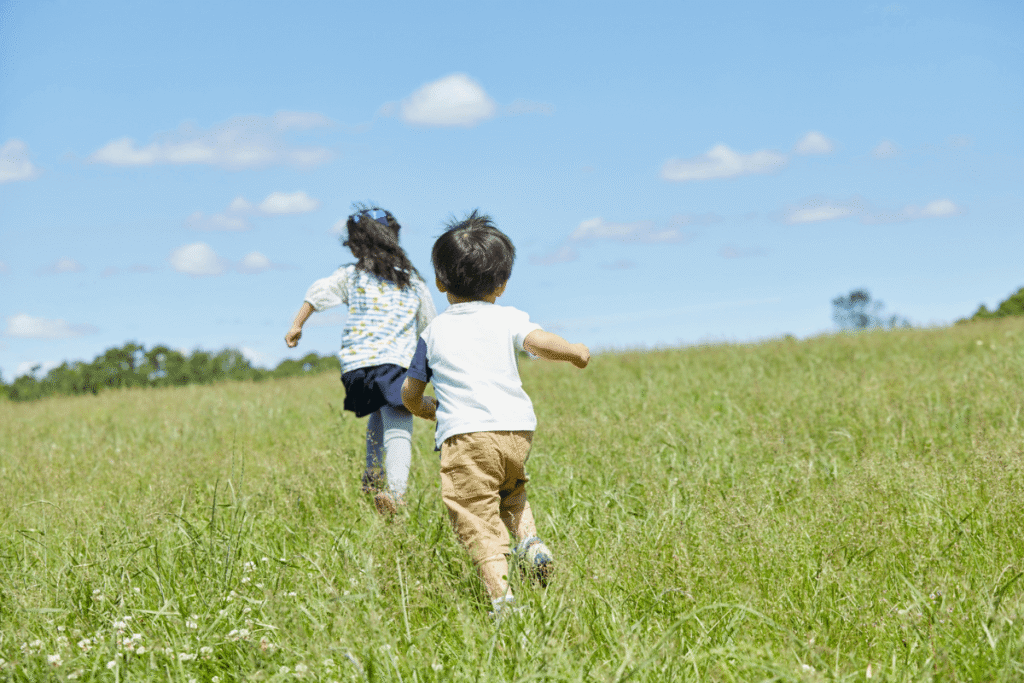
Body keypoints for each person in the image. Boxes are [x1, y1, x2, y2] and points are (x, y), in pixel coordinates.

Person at [401, 211, 590, 617]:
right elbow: (539, 342)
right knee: (511, 492)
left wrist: (429, 410)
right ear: (501, 284)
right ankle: (530, 543)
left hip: (467, 437)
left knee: (476, 517)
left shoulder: (433, 333)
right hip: (516, 433)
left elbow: (410, 394)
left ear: (440, 282)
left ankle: (503, 603)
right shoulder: (508, 318)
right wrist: (573, 351)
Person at [286, 205, 436, 515]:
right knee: (399, 424)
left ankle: (372, 475)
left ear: (357, 245)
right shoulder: (412, 282)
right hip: (393, 361)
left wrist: (297, 324)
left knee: (379, 413)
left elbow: (318, 293)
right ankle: (397, 494)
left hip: (357, 367)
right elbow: (430, 326)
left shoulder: (351, 275)